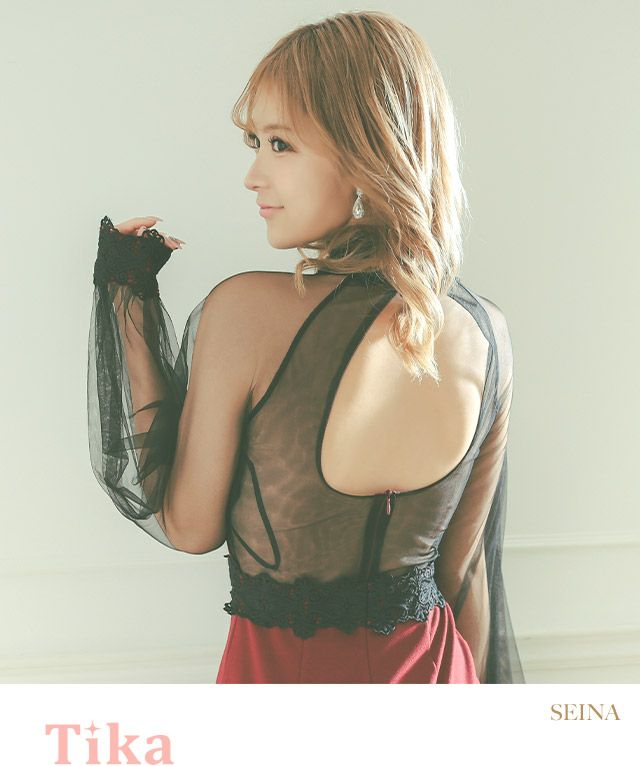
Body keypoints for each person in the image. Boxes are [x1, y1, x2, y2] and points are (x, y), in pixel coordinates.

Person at [88, 10, 525, 684]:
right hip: (443, 684)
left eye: (280, 145)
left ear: (367, 151)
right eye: (254, 142)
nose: (253, 175)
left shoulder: (249, 314)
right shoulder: (487, 331)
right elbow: (465, 572)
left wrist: (126, 294)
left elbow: (188, 527)